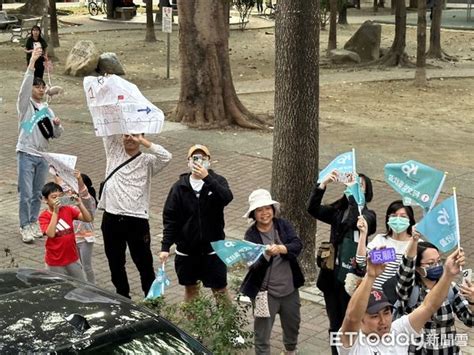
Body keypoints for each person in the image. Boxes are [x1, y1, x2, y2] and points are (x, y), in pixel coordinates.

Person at [336, 247, 465, 354]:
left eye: (386, 313)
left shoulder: (398, 330)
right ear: (361, 320)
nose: (383, 321)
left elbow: (429, 306)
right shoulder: (351, 343)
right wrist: (370, 276)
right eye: (374, 316)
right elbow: (352, 318)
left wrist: (448, 274)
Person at [307, 170, 376, 355]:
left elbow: (355, 222)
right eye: (351, 183)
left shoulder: (369, 216)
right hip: (332, 278)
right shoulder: (338, 211)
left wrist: (354, 197)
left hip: (353, 281)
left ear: (366, 192)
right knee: (335, 324)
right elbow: (312, 209)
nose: (354, 187)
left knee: (351, 321)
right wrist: (322, 185)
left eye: (359, 185)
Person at [100, 133, 172, 299]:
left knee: (144, 263)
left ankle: (152, 299)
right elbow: (107, 131)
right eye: (126, 135)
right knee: (115, 263)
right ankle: (123, 296)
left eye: (135, 135)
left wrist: (145, 142)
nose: (130, 138)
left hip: (136, 219)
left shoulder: (148, 161)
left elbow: (166, 157)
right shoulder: (114, 152)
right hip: (111, 217)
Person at [159, 144, 233, 302]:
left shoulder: (217, 181)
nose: (198, 161)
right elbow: (170, 218)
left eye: (202, 158)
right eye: (195, 158)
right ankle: (193, 326)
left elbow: (226, 198)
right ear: (188, 162)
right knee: (191, 290)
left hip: (214, 250)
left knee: (220, 289)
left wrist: (207, 178)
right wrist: (166, 247)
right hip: (187, 251)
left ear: (209, 161)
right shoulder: (179, 187)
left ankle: (229, 326)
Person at [240, 189, 304, 355]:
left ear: (273, 209)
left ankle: (290, 351)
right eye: (259, 210)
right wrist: (266, 255)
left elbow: (297, 245)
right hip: (264, 293)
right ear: (254, 214)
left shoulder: (283, 225)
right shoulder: (250, 236)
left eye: (267, 208)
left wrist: (282, 248)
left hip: (290, 289)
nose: (264, 213)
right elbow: (252, 266)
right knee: (262, 333)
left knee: (293, 325)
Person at [396, 236, 474, 354]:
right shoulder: (409, 290)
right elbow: (405, 271)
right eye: (431, 263)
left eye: (439, 261)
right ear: (417, 268)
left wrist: (472, 302)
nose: (437, 266)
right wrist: (414, 241)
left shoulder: (450, 288)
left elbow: (469, 321)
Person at [17, 48, 63, 243]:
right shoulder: (25, 106)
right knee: (26, 194)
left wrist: (58, 125)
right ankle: (24, 226)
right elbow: (24, 89)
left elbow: (56, 135)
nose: (41, 90)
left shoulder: (47, 109)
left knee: (37, 194)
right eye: (37, 87)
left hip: (42, 156)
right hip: (26, 153)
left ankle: (34, 222)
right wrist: (32, 62)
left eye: (43, 87)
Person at [356, 199, 416, 290]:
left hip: (399, 297)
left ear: (410, 220)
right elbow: (361, 261)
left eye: (403, 217)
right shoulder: (380, 240)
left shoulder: (416, 244)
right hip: (374, 296)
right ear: (388, 218)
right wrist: (363, 233)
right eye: (394, 216)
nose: (398, 219)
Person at [38, 182, 92, 281]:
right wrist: (55, 212)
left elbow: (88, 218)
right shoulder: (44, 216)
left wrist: (80, 204)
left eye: (60, 196)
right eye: (54, 197)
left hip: (72, 258)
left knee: (82, 284)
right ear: (45, 200)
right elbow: (50, 234)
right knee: (59, 287)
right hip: (55, 261)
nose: (58, 200)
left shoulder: (68, 209)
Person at [55, 171, 97, 284]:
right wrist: (56, 173)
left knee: (86, 266)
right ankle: (79, 284)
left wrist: (79, 180)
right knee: (76, 265)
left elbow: (83, 193)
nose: (72, 189)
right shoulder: (71, 199)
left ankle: (93, 287)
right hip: (73, 238)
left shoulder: (88, 201)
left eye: (74, 186)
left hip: (85, 239)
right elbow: (60, 192)